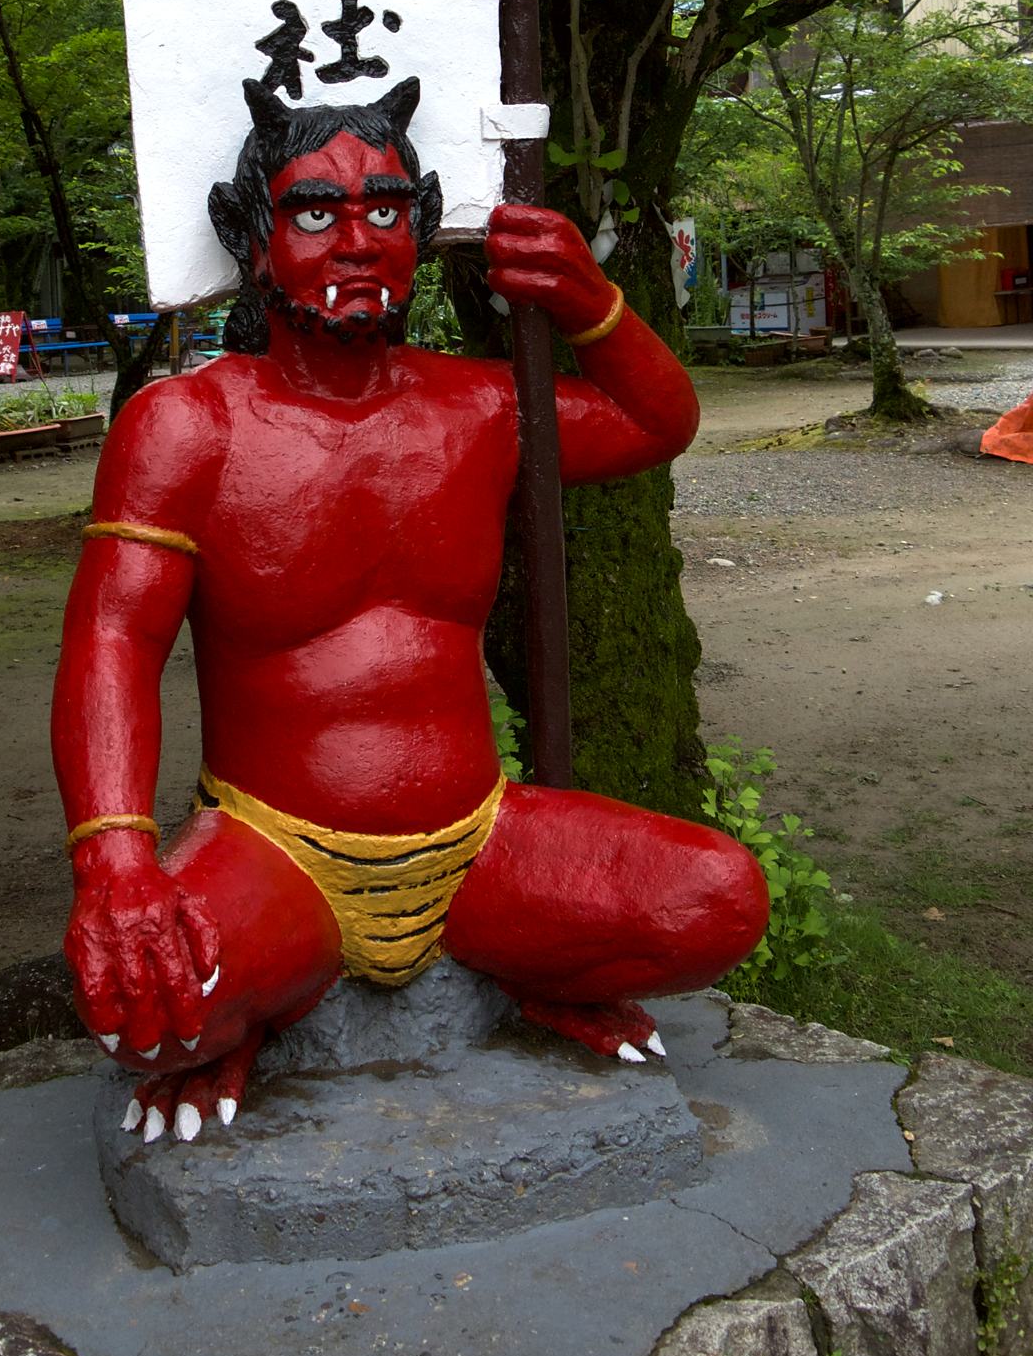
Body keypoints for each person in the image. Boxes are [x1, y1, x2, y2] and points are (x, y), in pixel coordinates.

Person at [52, 77, 768, 1142]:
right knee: (146, 1015)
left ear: (422, 234)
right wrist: (113, 862)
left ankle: (526, 969)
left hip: (478, 840)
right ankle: (250, 1008)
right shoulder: (185, 425)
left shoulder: (477, 404)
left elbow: (649, 419)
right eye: (314, 211)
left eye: (384, 210)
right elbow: (113, 641)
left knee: (716, 897)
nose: (356, 239)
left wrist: (588, 300)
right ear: (250, 239)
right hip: (275, 849)